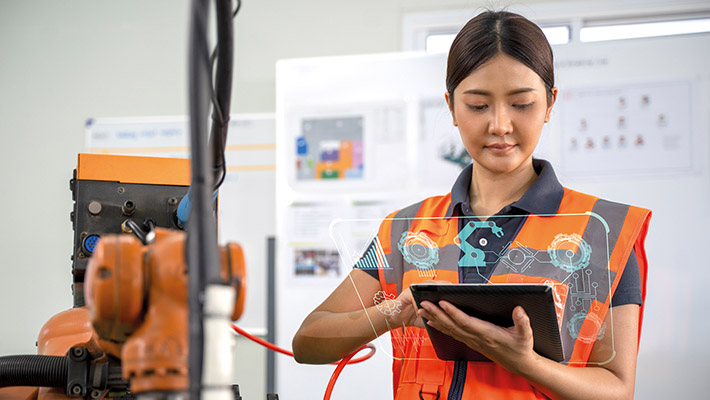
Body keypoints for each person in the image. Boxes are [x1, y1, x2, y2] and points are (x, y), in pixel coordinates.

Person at [292, 10, 651, 400]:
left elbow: (616, 389)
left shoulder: (603, 230)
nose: (499, 124)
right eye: (478, 106)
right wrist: (394, 312)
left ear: (550, 104)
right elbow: (308, 343)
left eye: (522, 104)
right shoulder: (406, 229)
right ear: (451, 107)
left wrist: (523, 361)